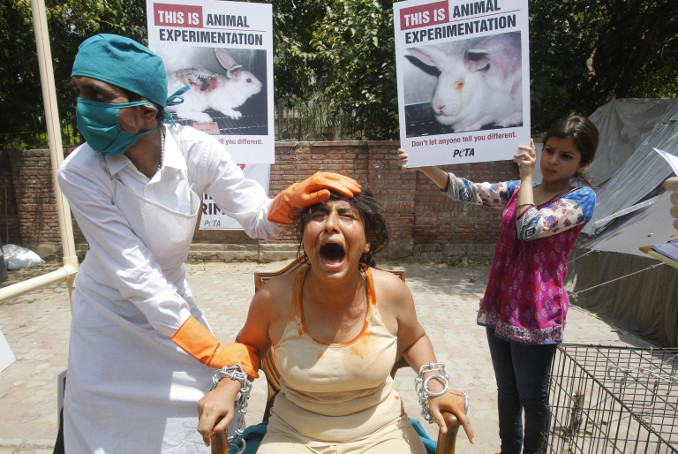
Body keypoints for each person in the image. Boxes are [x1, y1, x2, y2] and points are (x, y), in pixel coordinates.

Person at [56, 33, 361, 454]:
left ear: (146, 112)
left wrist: (289, 201)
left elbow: (258, 220)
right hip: (108, 319)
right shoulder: (79, 171)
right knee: (102, 431)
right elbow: (135, 275)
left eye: (97, 95)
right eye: (80, 93)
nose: (83, 107)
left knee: (198, 416)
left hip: (172, 306)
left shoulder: (196, 151)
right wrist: (210, 347)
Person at [196, 189, 475, 453]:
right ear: (304, 238)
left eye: (346, 215)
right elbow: (249, 348)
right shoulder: (274, 296)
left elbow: (414, 339)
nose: (330, 224)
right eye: (318, 216)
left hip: (382, 433)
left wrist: (436, 384)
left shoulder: (391, 292)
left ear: (367, 242)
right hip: (293, 434)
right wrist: (225, 388)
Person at [397, 115, 599, 454]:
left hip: (537, 311)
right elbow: (468, 191)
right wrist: (424, 164)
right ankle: (508, 449)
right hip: (502, 302)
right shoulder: (522, 189)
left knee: (532, 397)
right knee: (506, 390)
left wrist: (525, 177)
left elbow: (529, 227)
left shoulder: (581, 198)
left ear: (584, 162)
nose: (552, 160)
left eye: (566, 156)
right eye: (549, 150)